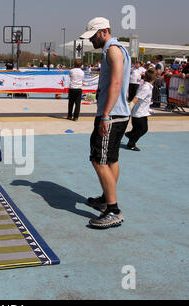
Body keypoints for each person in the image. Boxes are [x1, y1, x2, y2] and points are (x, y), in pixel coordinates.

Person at [79, 17, 131, 229]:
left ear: (104, 31)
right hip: (117, 113)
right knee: (110, 159)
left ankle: (113, 210)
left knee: (98, 159)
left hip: (112, 114)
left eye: (93, 36)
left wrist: (106, 115)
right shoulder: (115, 49)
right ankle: (105, 199)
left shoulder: (113, 50)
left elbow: (117, 82)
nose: (91, 40)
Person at [125, 69, 156, 151]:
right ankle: (131, 141)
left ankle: (130, 139)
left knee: (137, 129)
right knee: (143, 129)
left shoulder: (147, 86)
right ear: (153, 78)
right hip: (139, 113)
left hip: (142, 112)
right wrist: (128, 110)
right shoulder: (146, 87)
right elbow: (136, 98)